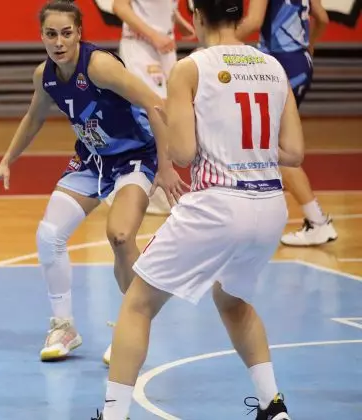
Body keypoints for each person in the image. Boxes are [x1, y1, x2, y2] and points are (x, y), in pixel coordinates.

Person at [94, 0, 302, 417]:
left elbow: (184, 154)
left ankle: (114, 414)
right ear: (240, 16)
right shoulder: (273, 67)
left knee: (138, 303)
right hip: (270, 207)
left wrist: (170, 122)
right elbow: (295, 153)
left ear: (197, 16)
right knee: (233, 300)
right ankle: (273, 406)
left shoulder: (189, 68)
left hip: (218, 205)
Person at [0, 0, 186, 365]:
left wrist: (167, 167)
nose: (59, 42)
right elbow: (34, 117)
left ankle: (131, 326)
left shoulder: (99, 66)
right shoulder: (45, 75)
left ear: (79, 33)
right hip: (93, 159)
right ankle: (64, 327)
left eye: (66, 33)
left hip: (135, 156)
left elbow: (156, 105)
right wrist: (6, 161)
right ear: (41, 36)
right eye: (51, 34)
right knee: (49, 235)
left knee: (120, 236)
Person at [235, 0, 335, 246]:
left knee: (273, 147)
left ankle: (317, 221)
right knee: (267, 142)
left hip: (279, 64)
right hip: (300, 62)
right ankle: (264, 217)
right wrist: (309, 45)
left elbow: (254, 21)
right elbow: (322, 18)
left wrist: (214, 44)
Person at [106, 0, 195, 215]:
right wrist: (154, 35)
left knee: (168, 113)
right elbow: (120, 7)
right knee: (152, 112)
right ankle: (144, 187)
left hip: (164, 45)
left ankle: (153, 182)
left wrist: (178, 21)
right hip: (141, 45)